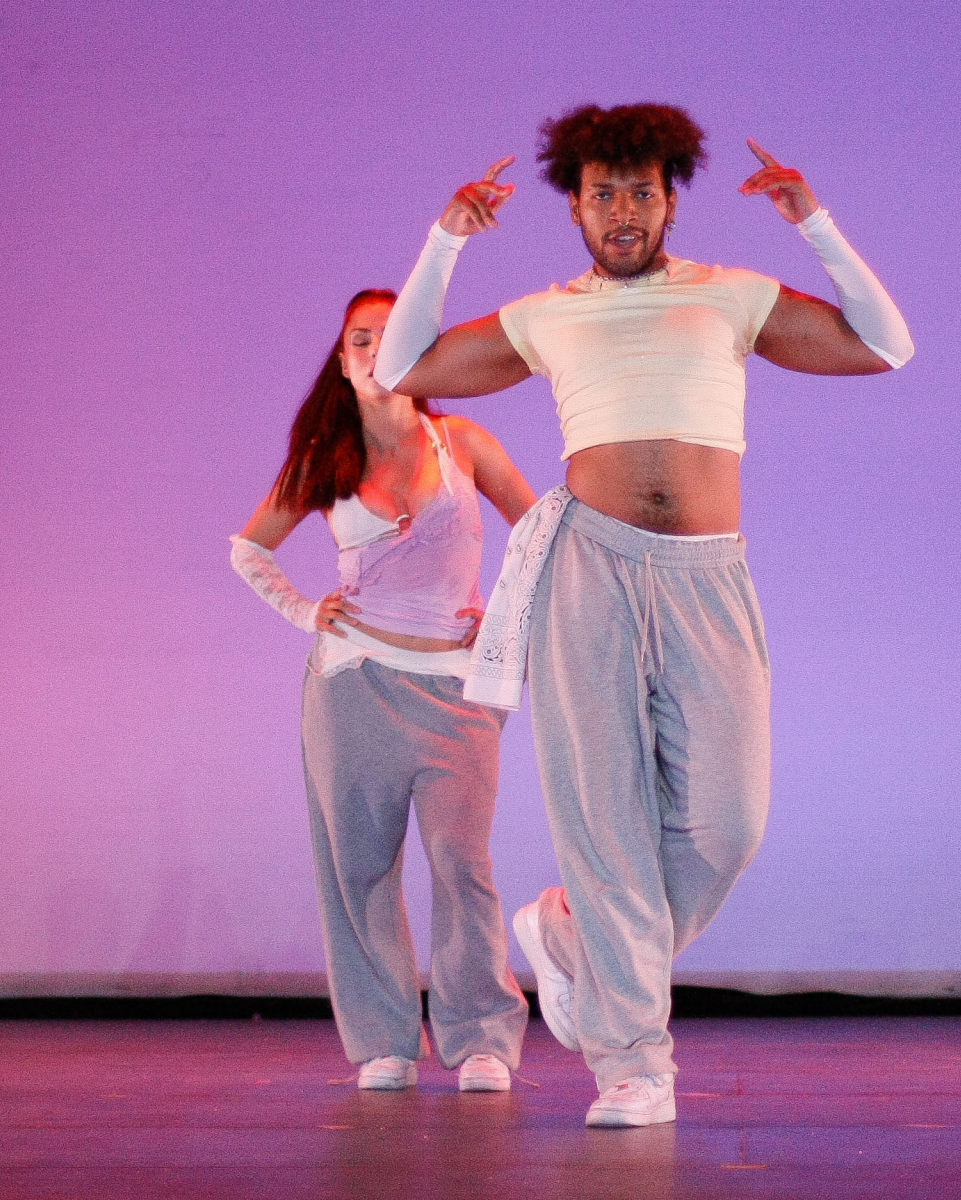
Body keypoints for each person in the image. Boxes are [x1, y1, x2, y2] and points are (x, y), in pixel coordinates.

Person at [373, 104, 914, 1126]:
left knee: (728, 822)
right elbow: (402, 369)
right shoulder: (549, 313)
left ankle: (574, 940)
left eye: (641, 192)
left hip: (708, 576)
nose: (622, 211)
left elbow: (885, 346)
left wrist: (815, 222)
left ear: (670, 201)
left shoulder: (731, 294)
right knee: (606, 820)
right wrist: (444, 239)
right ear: (574, 208)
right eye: (602, 194)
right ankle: (633, 1065)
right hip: (591, 570)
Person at [231, 288, 538, 1091]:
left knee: (462, 863)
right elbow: (249, 549)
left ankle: (481, 1038)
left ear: (419, 349)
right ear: (342, 360)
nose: (374, 352)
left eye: (390, 336)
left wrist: (504, 620)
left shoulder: (462, 441)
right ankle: (384, 1041)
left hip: (455, 689)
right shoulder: (324, 458)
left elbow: (541, 532)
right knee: (359, 870)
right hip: (353, 685)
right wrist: (305, 610)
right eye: (359, 340)